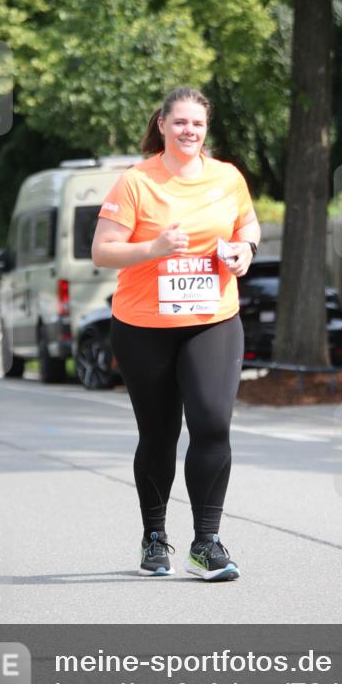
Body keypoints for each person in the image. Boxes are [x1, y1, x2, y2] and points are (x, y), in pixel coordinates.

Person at [91, 87, 260, 581]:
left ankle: (206, 543)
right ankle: (154, 536)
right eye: (181, 122)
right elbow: (102, 250)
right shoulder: (136, 182)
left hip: (213, 319)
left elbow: (248, 226)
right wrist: (156, 248)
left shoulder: (227, 177)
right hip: (144, 326)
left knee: (212, 424)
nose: (190, 131)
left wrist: (243, 252)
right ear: (162, 125)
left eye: (198, 124)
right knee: (160, 435)